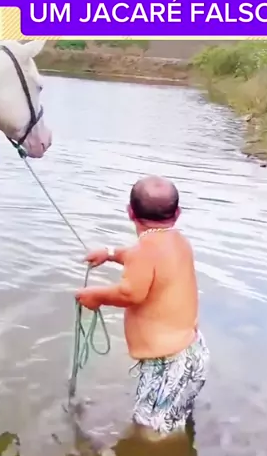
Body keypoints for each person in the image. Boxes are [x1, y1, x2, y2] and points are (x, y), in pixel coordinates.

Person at [75, 175, 209, 435]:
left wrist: (96, 296)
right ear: (178, 214)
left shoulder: (143, 252)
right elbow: (143, 258)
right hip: (193, 352)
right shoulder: (179, 242)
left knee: (149, 432)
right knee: (173, 420)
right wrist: (111, 253)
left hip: (167, 363)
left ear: (130, 212)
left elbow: (131, 293)